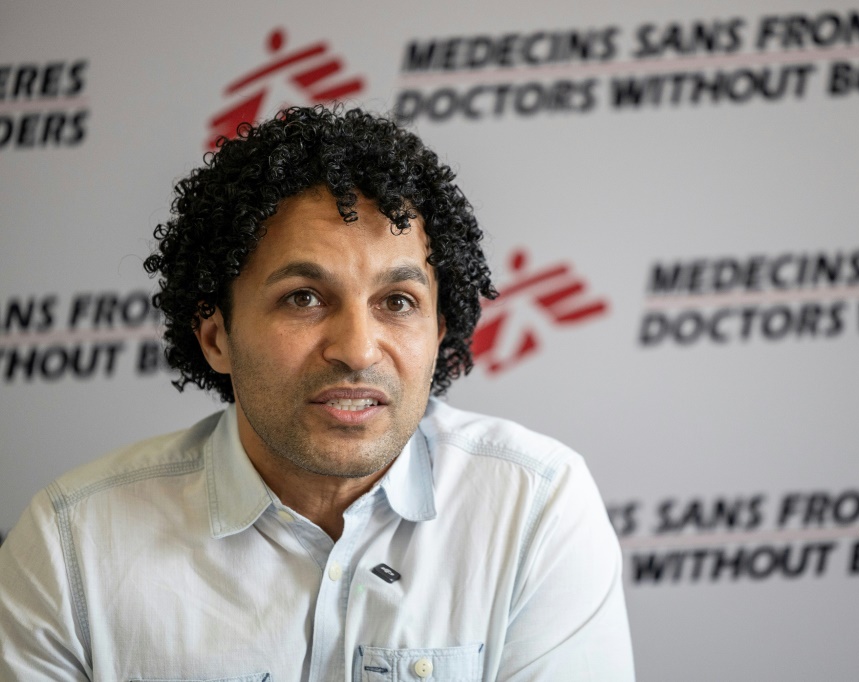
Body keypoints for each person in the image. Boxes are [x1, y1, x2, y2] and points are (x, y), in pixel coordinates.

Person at [0, 105, 634, 680]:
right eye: (303, 298)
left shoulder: (535, 508)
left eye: (398, 301)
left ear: (440, 331)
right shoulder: (73, 546)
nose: (357, 349)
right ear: (216, 336)